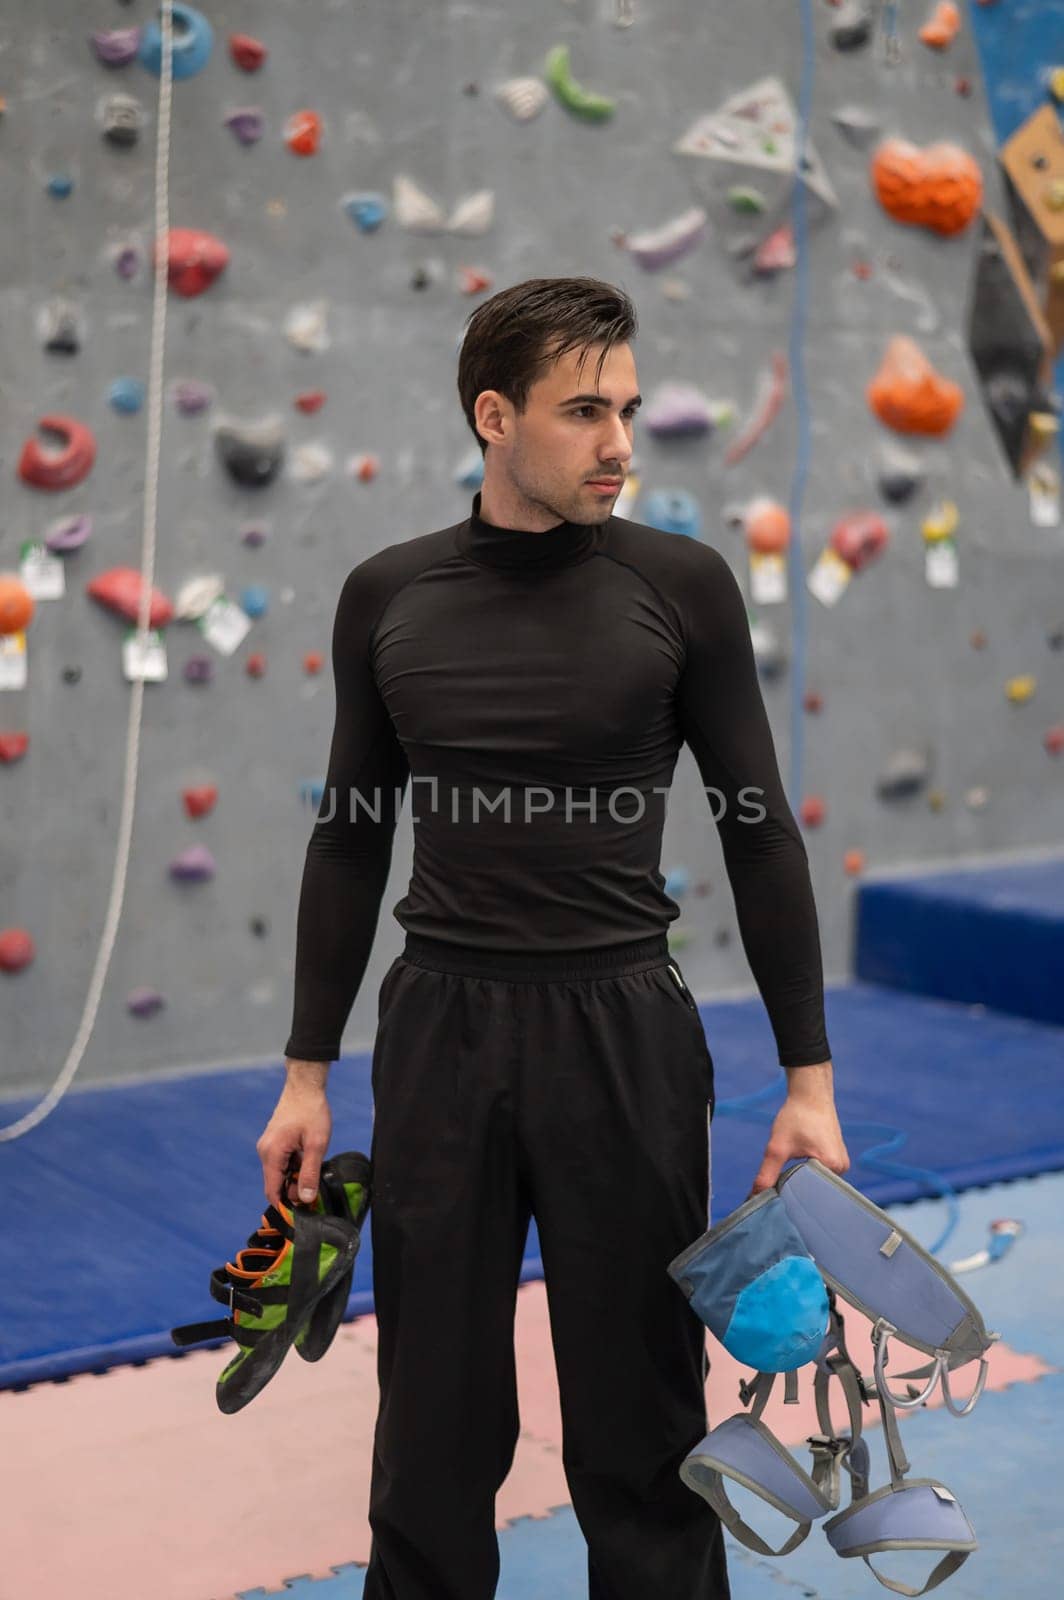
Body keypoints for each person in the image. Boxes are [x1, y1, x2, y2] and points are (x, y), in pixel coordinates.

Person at [257, 275, 849, 1600]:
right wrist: (306, 1073)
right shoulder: (387, 595)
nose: (620, 443)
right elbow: (350, 836)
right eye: (585, 411)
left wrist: (810, 1083)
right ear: (493, 417)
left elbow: (759, 832)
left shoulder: (681, 588)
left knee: (643, 1431)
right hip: (442, 1036)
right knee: (431, 1435)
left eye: (628, 409)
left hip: (623, 1035)